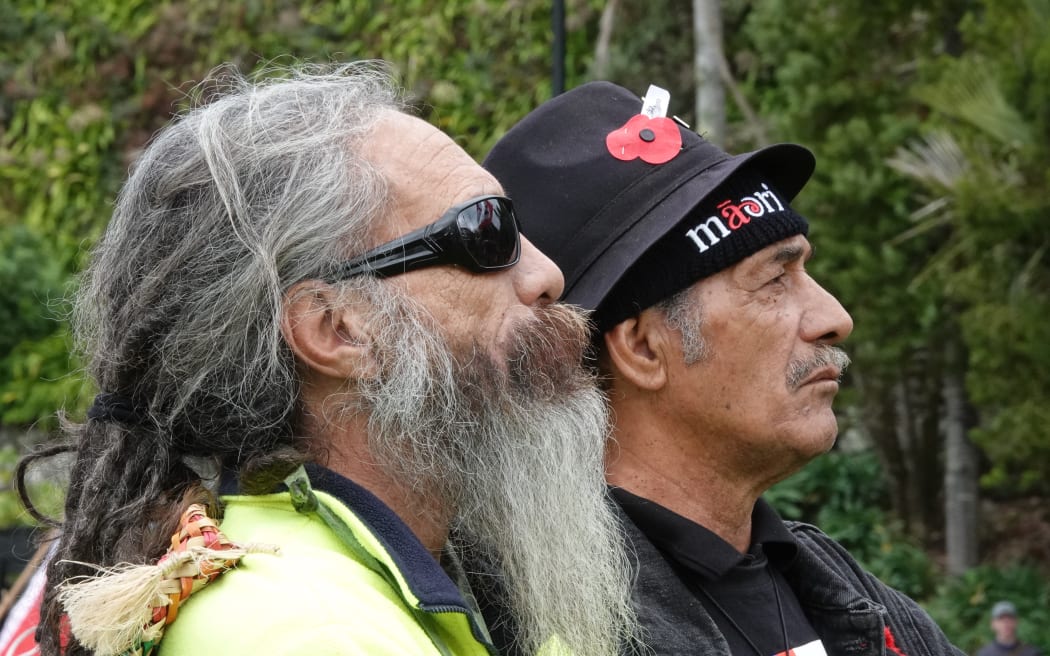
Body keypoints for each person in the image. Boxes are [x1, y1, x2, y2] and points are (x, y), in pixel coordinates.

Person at [16, 64, 636, 656]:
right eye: (486, 234)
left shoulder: (374, 583)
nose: (547, 274)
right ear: (336, 329)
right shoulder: (312, 633)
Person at [480, 81, 965, 656]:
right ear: (641, 348)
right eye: (773, 280)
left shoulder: (851, 595)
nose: (835, 318)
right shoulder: (532, 628)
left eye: (805, 272)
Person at [975, 601, 1042, 656]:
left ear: (1016, 622)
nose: (1006, 623)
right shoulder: (984, 654)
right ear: (993, 624)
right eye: (1001, 619)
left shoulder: (1031, 653)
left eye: (1009, 618)